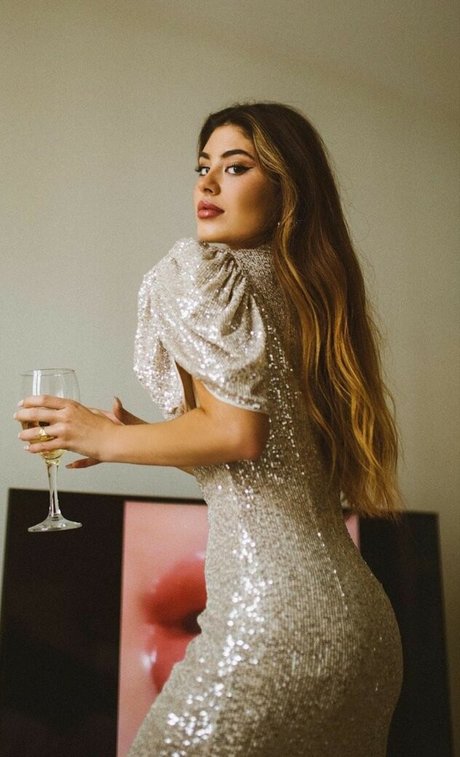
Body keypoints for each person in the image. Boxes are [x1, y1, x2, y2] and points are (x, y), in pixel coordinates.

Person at [16, 102, 403, 756]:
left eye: (236, 166)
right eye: (203, 167)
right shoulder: (309, 296)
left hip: (272, 627)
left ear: (286, 189)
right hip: (364, 636)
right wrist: (142, 437)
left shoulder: (203, 271)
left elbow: (238, 435)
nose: (209, 183)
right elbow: (268, 466)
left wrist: (104, 438)